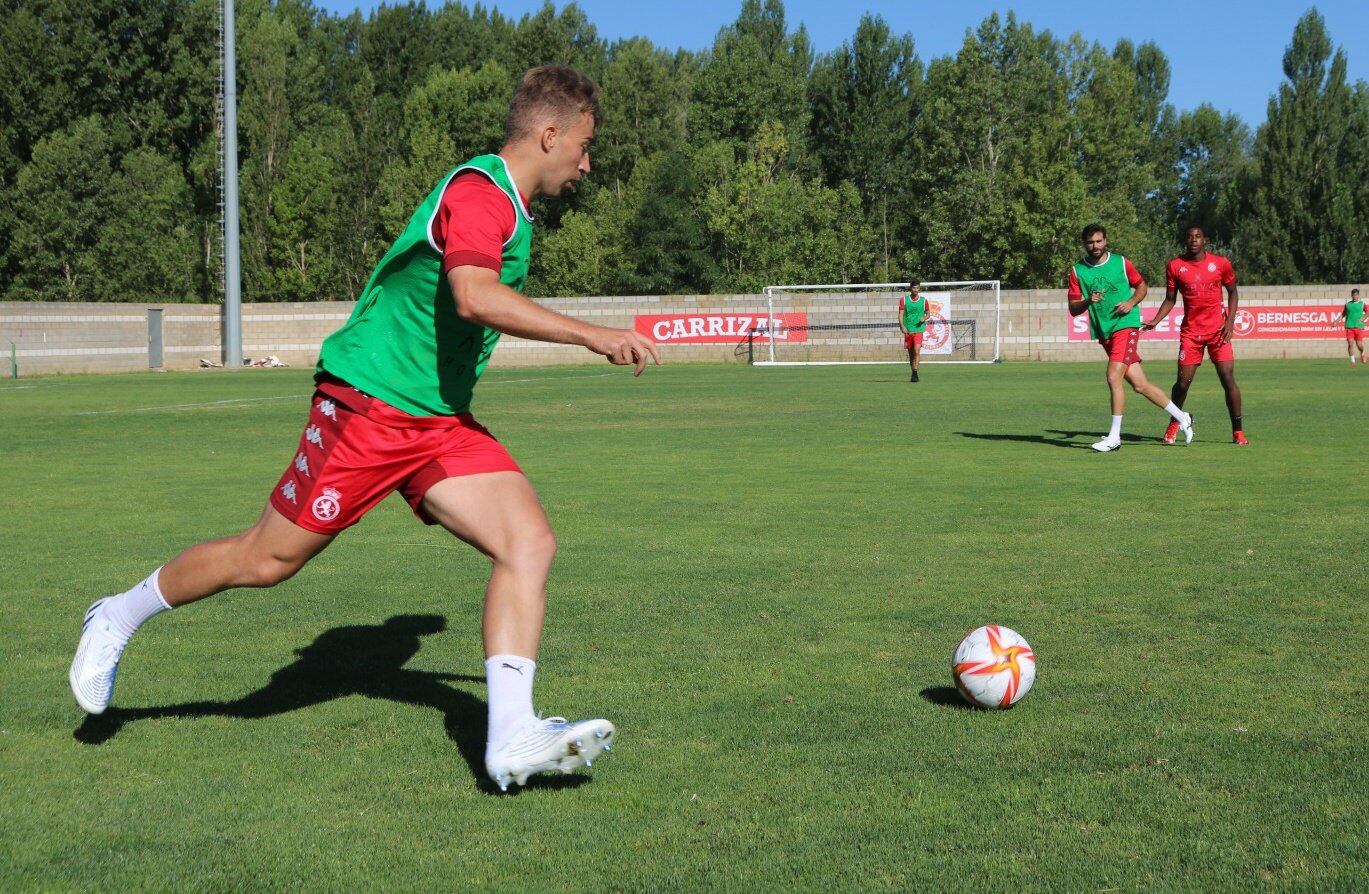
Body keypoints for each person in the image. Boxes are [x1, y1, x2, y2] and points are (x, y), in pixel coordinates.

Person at [68, 65, 660, 793]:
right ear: (548, 134)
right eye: (584, 146)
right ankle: (116, 615)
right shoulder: (480, 194)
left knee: (528, 542)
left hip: (437, 422)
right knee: (266, 561)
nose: (586, 164)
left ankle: (510, 737)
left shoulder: (511, 205)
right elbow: (474, 296)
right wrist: (593, 335)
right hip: (368, 409)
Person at [1067, 224, 1193, 453]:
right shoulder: (1077, 271)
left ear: (1106, 241)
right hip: (1105, 332)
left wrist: (1131, 303)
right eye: (1090, 242)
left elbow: (1142, 287)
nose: (1095, 246)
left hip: (1126, 326)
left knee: (1113, 376)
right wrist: (1088, 301)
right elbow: (1073, 309)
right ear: (1084, 244)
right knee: (1140, 385)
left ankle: (1114, 437)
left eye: (1099, 241)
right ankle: (1182, 417)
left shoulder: (1121, 263)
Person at [1143, 226, 1247, 445]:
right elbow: (1170, 299)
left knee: (1228, 379)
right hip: (1191, 334)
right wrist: (1156, 320)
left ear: (1204, 240)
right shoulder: (1175, 266)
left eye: (1198, 236)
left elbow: (1233, 292)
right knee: (1182, 384)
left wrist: (1230, 322)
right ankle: (1176, 422)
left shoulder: (1220, 263)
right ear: (1185, 240)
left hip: (1218, 332)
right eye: (1190, 237)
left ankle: (1238, 431)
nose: (1194, 240)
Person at [898, 282, 928, 382]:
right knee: (911, 354)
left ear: (919, 288)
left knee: (916, 351)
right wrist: (902, 326)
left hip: (919, 329)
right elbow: (900, 314)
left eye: (917, 288)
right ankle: (913, 373)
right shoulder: (904, 300)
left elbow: (928, 313)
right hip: (908, 330)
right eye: (914, 288)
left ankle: (915, 373)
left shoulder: (924, 300)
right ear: (910, 288)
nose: (915, 290)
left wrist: (924, 318)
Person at [1333, 288, 1365, 367]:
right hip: (1349, 327)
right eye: (1353, 295)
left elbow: (1368, 312)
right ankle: (1352, 360)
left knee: (1359, 345)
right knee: (1350, 343)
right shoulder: (1348, 304)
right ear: (1351, 295)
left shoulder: (1362, 304)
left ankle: (1362, 353)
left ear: (1358, 295)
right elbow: (1343, 314)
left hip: (1359, 327)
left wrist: (1364, 318)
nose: (1355, 296)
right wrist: (1336, 321)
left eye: (1356, 295)